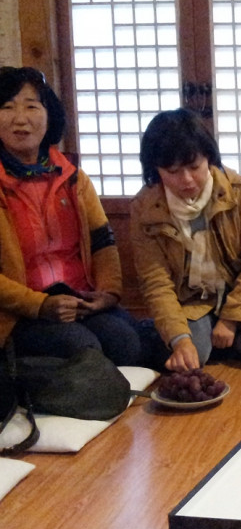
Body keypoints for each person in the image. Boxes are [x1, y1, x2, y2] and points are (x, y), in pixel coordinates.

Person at [0, 66, 144, 366]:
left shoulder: (73, 178)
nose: (20, 118)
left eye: (31, 106)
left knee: (126, 342)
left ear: (49, 114)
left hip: (79, 300)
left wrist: (107, 294)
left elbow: (102, 242)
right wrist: (40, 304)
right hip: (19, 313)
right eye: (7, 107)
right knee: (83, 350)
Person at [132, 108, 241, 371]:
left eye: (194, 167)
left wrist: (230, 319)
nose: (186, 180)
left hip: (237, 288)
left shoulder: (238, 190)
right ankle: (195, 338)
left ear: (209, 157)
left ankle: (217, 337)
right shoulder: (145, 207)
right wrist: (180, 339)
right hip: (188, 299)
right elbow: (156, 283)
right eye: (173, 171)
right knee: (191, 355)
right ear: (156, 169)